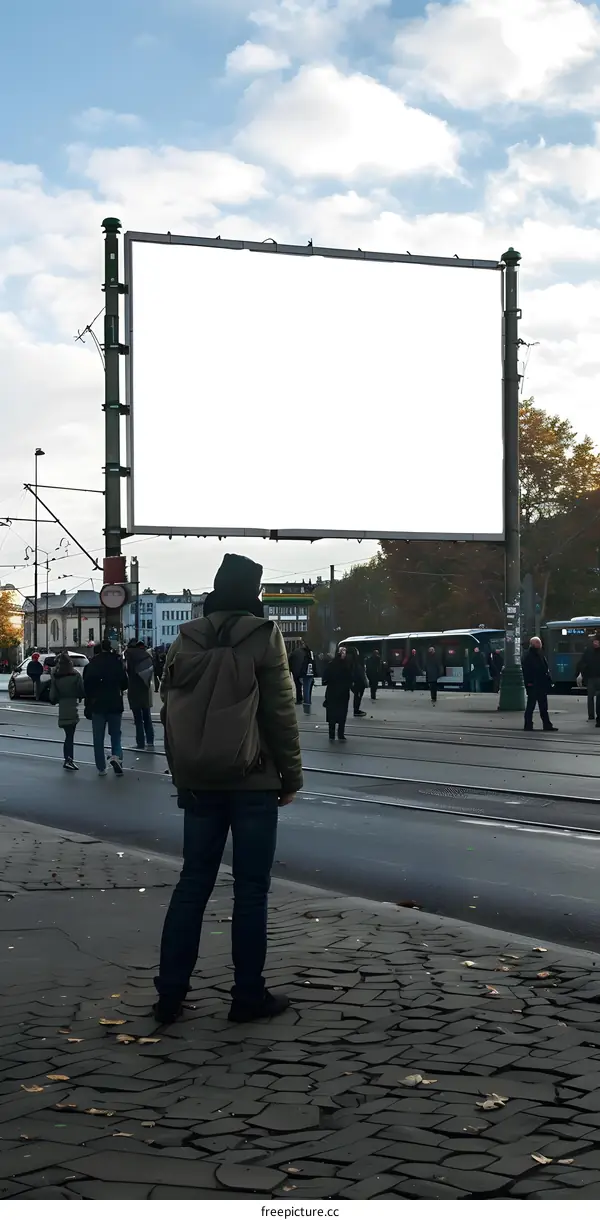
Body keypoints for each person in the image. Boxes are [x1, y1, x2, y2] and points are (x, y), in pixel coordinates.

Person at [155, 553, 302, 1026]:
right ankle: (247, 996)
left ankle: (170, 996)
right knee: (251, 889)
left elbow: (169, 703)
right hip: (253, 778)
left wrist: (182, 770)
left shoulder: (185, 638)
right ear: (253, 594)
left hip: (199, 780)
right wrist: (291, 777)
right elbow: (281, 712)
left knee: (192, 883)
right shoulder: (264, 636)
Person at [83, 639, 128, 775]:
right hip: (114, 702)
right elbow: (125, 683)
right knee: (115, 735)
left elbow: (87, 686)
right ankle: (117, 758)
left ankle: (101, 767)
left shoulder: (92, 664)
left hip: (98, 704)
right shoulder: (117, 662)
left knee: (98, 737)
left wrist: (89, 702)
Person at [49, 651, 85, 770]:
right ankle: (69, 759)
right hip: (72, 706)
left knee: (68, 735)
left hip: (63, 707)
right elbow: (81, 691)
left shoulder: (56, 677)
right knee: (70, 735)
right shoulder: (75, 675)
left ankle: (67, 758)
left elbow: (53, 696)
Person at [522, 636, 557, 732]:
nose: (540, 644)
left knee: (542, 706)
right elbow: (528, 671)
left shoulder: (537, 655)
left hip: (539, 684)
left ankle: (545, 724)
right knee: (532, 706)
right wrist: (529, 683)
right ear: (534, 644)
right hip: (534, 684)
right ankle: (530, 724)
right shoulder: (530, 656)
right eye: (538, 643)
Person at [126, 640, 155, 750]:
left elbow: (126, 671)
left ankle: (140, 742)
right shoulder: (146, 656)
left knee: (138, 719)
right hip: (146, 689)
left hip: (134, 689)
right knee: (147, 716)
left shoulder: (129, 656)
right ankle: (150, 740)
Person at [323, 645, 353, 741]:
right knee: (342, 714)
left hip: (332, 692)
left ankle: (331, 734)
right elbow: (350, 678)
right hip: (343, 693)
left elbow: (325, 678)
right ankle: (341, 734)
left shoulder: (331, 664)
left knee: (332, 714)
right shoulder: (347, 666)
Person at [576, 636, 600, 723]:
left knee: (597, 698)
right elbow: (582, 663)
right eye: (594, 641)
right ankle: (591, 716)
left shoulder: (589, 651)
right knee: (590, 697)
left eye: (597, 641)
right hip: (591, 677)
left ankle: (598, 716)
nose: (595, 643)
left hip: (597, 677)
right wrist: (580, 674)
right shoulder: (588, 651)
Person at [349, 648, 367, 717]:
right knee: (358, 696)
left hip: (356, 682)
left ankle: (356, 709)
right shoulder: (356, 662)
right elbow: (357, 672)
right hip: (358, 682)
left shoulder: (353, 661)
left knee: (357, 696)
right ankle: (356, 710)